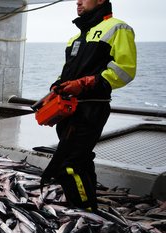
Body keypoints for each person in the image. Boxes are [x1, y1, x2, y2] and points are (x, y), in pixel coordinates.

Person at [41, 0, 136, 212]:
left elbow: (125, 70)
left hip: (91, 108)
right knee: (81, 159)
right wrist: (56, 87)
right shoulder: (76, 37)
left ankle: (85, 211)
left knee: (68, 164)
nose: (78, 1)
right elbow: (68, 73)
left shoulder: (118, 28)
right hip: (68, 109)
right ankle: (87, 201)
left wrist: (86, 83)